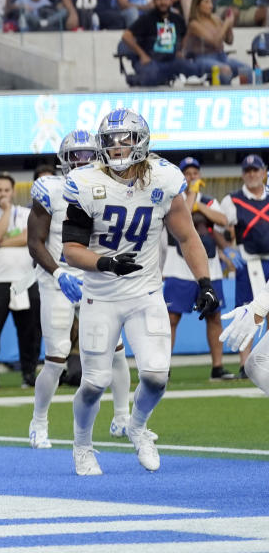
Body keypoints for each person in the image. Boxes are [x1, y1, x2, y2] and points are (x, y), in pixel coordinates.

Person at [62, 108, 219, 475]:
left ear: (141, 142)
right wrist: (107, 263)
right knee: (94, 383)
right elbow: (71, 249)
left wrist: (205, 282)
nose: (117, 149)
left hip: (145, 292)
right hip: (100, 294)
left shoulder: (163, 178)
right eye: (111, 142)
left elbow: (187, 236)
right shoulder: (86, 182)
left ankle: (137, 426)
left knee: (155, 375)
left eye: (125, 140)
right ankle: (82, 446)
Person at [26, 131, 136, 449]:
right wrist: (59, 274)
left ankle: (121, 418)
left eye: (88, 154)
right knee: (56, 358)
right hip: (57, 279)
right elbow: (34, 243)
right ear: (64, 160)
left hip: (93, 278)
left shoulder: (108, 189)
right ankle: (39, 421)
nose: (83, 161)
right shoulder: (51, 189)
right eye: (76, 155)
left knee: (116, 351)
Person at [162, 157, 234, 381]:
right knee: (171, 318)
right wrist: (191, 193)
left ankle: (217, 366)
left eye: (195, 173)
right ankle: (163, 368)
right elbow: (187, 215)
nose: (192, 176)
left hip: (208, 267)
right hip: (178, 266)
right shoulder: (174, 200)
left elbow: (222, 221)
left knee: (215, 316)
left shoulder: (210, 201)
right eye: (187, 173)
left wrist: (200, 205)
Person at [0, 173, 41, 389]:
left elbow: (28, 237)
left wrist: (1, 244)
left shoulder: (26, 212)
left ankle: (29, 374)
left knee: (29, 331)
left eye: (6, 190)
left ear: (13, 191)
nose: (3, 194)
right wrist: (5, 212)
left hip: (24, 280)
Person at [219, 154, 269, 379]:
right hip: (247, 262)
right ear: (243, 174)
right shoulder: (233, 200)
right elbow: (219, 230)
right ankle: (244, 364)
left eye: (255, 170)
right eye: (248, 171)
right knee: (246, 311)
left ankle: (265, 361)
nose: (252, 174)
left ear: (263, 172)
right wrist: (227, 249)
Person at [121, 0, 208, 87]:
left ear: (171, 1)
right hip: (152, 61)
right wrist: (142, 55)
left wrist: (181, 50)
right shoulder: (146, 19)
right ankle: (135, 80)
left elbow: (185, 35)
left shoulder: (177, 19)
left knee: (195, 69)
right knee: (152, 75)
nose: (162, 2)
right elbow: (126, 36)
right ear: (154, 1)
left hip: (172, 61)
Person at [185, 0, 251, 87]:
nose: (211, 6)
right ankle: (225, 96)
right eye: (206, 2)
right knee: (225, 70)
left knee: (246, 69)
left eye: (211, 2)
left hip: (221, 56)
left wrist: (229, 26)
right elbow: (215, 42)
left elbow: (229, 41)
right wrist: (226, 23)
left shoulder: (215, 19)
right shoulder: (194, 24)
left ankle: (246, 96)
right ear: (198, 5)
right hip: (202, 58)